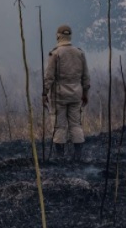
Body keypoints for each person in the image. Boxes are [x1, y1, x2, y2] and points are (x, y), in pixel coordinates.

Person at [42, 24, 90, 162]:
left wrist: (44, 93)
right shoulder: (79, 53)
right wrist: (85, 92)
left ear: (58, 36)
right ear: (70, 36)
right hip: (76, 94)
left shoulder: (55, 53)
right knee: (76, 124)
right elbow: (86, 76)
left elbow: (49, 76)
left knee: (59, 125)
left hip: (59, 96)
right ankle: (78, 156)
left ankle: (60, 157)